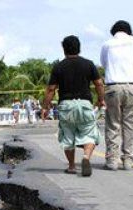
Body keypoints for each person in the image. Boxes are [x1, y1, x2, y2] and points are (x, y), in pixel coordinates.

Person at [43, 35, 105, 177]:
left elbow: (51, 89)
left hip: (66, 105)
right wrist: (101, 99)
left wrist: (45, 107)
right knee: (89, 133)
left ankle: (71, 166)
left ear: (64, 49)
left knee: (67, 136)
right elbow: (99, 84)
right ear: (79, 48)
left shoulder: (58, 67)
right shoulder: (89, 64)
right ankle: (85, 157)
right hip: (84, 104)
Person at [100, 20, 133, 170]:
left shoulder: (107, 44)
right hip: (132, 87)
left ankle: (112, 161)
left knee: (113, 125)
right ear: (128, 31)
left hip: (113, 87)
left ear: (114, 31)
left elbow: (104, 64)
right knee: (129, 125)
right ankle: (128, 160)